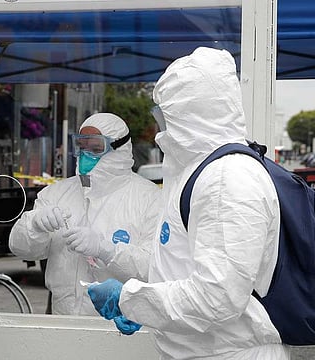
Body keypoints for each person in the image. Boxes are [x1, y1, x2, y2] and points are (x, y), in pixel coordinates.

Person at [88, 47, 290, 359]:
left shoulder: (227, 180)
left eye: (164, 115)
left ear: (189, 114)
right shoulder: (201, 171)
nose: (160, 128)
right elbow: (184, 270)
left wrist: (130, 299)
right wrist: (148, 310)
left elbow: (216, 298)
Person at [9, 112, 162, 315]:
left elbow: (155, 268)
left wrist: (106, 250)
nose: (85, 155)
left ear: (119, 149)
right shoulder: (56, 194)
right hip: (63, 322)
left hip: (121, 327)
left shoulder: (149, 199)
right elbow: (21, 249)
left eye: (96, 149)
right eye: (81, 147)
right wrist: (34, 226)